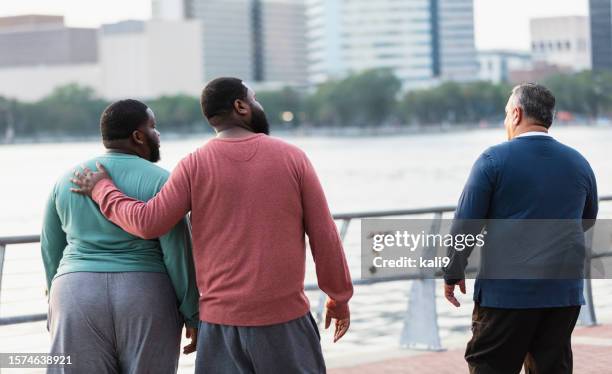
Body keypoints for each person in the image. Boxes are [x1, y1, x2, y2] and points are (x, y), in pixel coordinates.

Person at [70, 77, 354, 373]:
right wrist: (338, 295)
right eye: (255, 99)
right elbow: (324, 234)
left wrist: (103, 188)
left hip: (220, 326)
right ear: (241, 106)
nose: (259, 105)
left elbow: (147, 222)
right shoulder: (293, 158)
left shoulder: (194, 164)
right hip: (284, 321)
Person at [442, 83, 599, 374]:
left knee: (490, 365)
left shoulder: (493, 160)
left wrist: (453, 271)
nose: (505, 121)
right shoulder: (579, 163)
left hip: (507, 295)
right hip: (563, 294)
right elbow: (587, 220)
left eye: (505, 114)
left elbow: (466, 224)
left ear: (516, 114)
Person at [41, 99, 199, 373]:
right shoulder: (162, 181)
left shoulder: (67, 179)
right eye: (153, 127)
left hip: (75, 293)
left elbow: (50, 249)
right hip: (145, 294)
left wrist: (56, 301)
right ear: (138, 136)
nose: (158, 134)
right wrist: (192, 313)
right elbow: (177, 253)